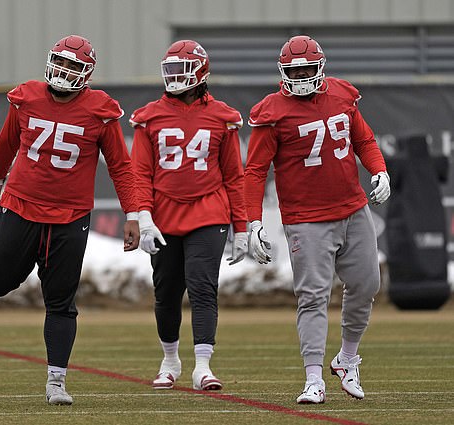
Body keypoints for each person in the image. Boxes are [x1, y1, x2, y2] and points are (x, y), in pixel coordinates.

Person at [0, 34, 140, 405]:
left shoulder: (100, 110)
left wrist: (133, 214)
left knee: (61, 301)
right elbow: (6, 143)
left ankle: (56, 381)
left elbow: (121, 167)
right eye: (60, 63)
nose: (63, 71)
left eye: (72, 66)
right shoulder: (27, 97)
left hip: (70, 217)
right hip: (20, 205)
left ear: (86, 74)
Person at [244, 35, 390, 404]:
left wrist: (379, 170)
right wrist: (253, 222)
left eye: (307, 69)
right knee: (312, 297)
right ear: (283, 71)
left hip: (353, 209)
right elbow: (255, 171)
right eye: (294, 70)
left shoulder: (342, 94)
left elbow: (366, 141)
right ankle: (313, 379)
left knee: (367, 286)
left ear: (320, 67)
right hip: (306, 219)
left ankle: (347, 358)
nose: (301, 76)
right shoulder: (272, 111)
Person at [130, 40, 247, 391]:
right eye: (170, 70)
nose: (174, 77)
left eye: (181, 70)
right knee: (166, 292)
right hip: (163, 215)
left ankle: (203, 367)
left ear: (200, 72)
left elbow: (233, 176)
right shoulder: (149, 116)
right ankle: (170, 360)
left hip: (209, 211)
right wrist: (143, 216)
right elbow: (139, 174)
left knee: (202, 287)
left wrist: (241, 227)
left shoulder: (222, 116)